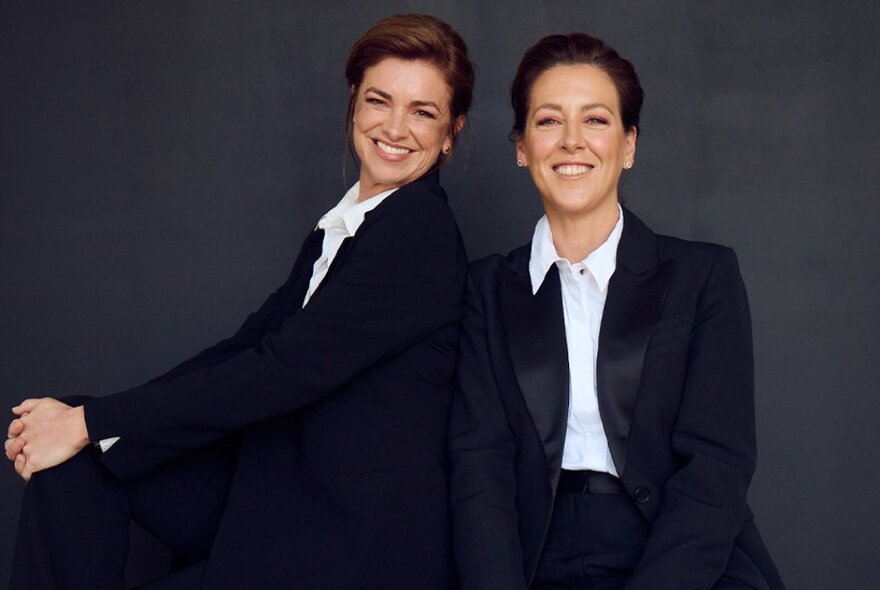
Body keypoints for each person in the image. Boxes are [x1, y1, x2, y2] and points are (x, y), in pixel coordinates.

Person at [5, 13, 474, 589]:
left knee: (84, 434)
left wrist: (88, 422)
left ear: (451, 132)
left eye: (423, 112)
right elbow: (244, 348)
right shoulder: (346, 228)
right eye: (380, 100)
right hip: (274, 495)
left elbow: (278, 372)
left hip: (341, 543)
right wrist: (81, 423)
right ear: (355, 102)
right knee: (78, 456)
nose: (395, 127)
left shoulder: (417, 231)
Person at [449, 33, 784, 590]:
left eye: (597, 121)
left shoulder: (703, 276)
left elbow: (716, 467)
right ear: (521, 146)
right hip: (535, 555)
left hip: (680, 554)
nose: (572, 142)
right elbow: (479, 465)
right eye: (549, 121)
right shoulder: (484, 289)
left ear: (629, 144)